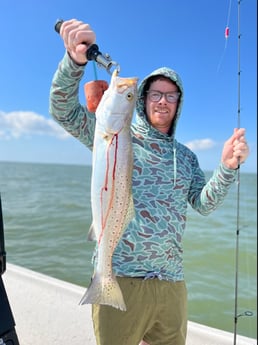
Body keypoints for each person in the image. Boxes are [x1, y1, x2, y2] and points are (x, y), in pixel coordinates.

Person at [49, 19, 250, 345]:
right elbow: (63, 110)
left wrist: (226, 167)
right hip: (120, 278)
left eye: (171, 96)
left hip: (172, 286)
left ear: (179, 104)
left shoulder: (186, 158)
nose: (162, 101)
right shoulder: (114, 135)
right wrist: (73, 63)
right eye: (155, 93)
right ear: (142, 99)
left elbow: (204, 203)